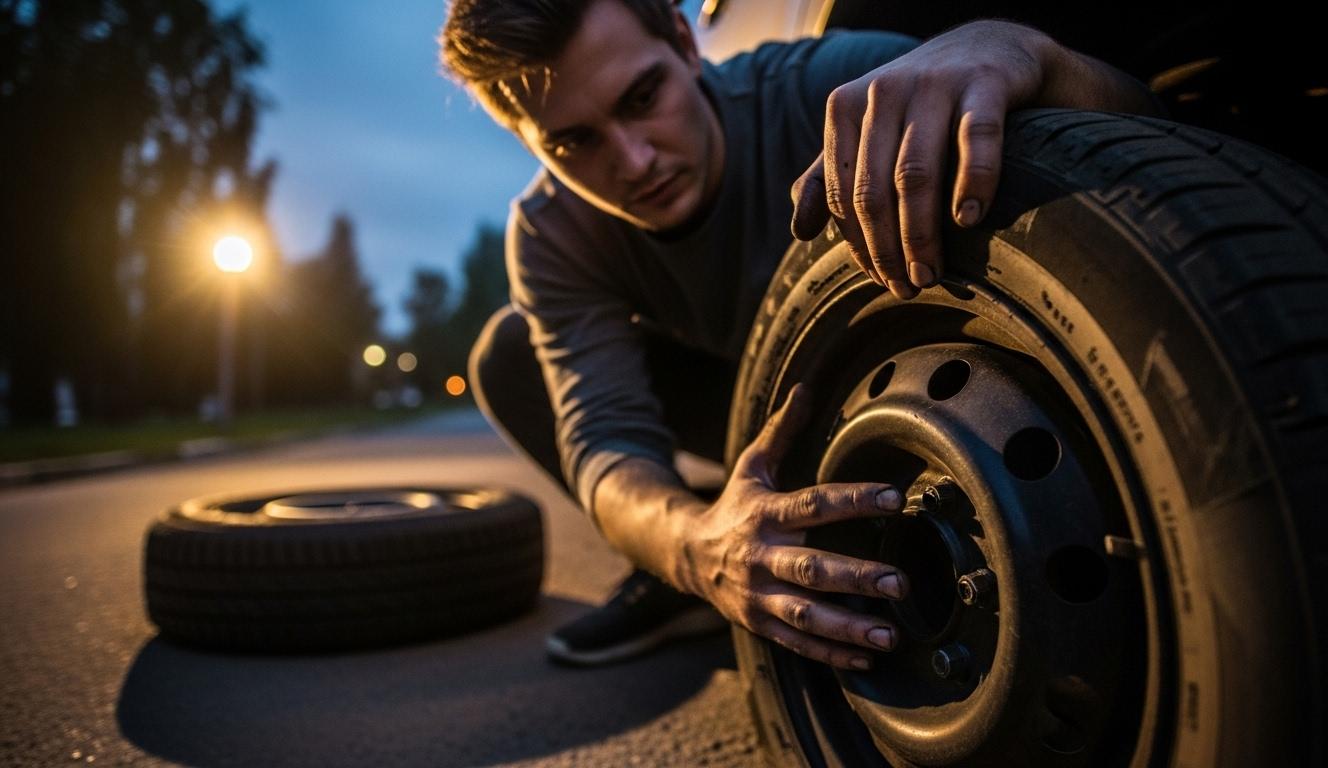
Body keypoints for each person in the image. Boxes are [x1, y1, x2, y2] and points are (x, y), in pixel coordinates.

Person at [440, 0, 1163, 667]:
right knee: (509, 355)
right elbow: (606, 445)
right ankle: (692, 566)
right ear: (529, 143)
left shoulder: (834, 86)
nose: (633, 161)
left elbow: (1180, 144)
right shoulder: (550, 234)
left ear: (687, 43)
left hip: (905, 375)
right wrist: (693, 547)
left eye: (641, 99)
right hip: (753, 414)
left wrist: (1029, 55)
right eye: (573, 142)